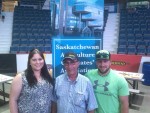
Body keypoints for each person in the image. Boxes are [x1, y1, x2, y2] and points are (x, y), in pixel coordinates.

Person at [9, 49, 55, 113]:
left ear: (43, 61)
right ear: (29, 62)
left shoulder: (48, 77)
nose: (38, 62)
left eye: (40, 59)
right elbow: (13, 100)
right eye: (34, 60)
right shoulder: (20, 78)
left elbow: (51, 99)